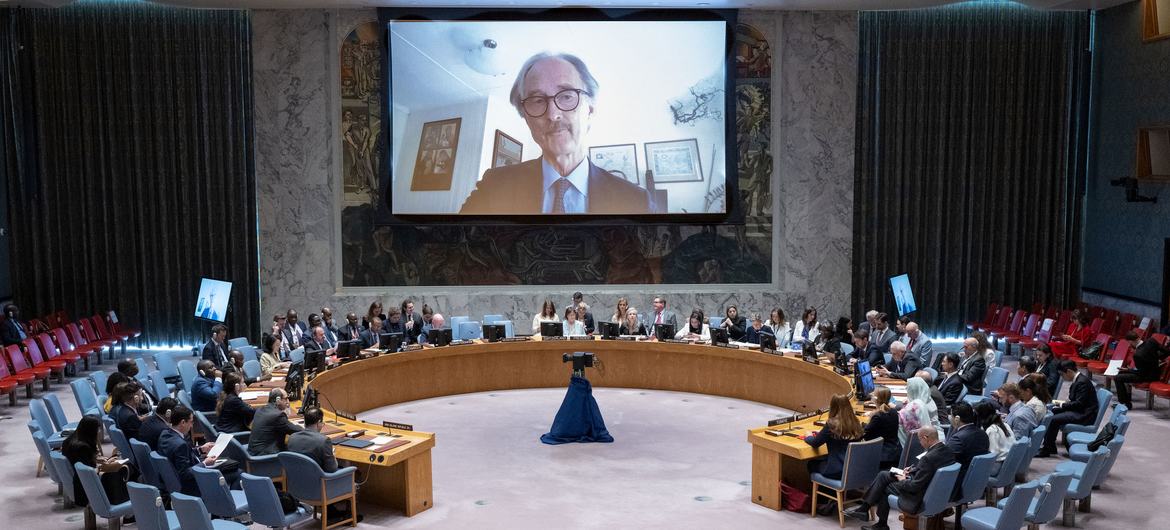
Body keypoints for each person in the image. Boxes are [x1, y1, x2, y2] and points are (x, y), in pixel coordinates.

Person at [459, 52, 657, 214]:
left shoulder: (636, 201)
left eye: (567, 96)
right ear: (526, 118)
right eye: (537, 100)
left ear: (590, 110)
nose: (553, 114)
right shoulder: (493, 187)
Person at [843, 426, 954, 530]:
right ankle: (864, 509)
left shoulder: (928, 458)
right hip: (931, 487)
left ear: (925, 438)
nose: (920, 443)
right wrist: (912, 469)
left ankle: (879, 523)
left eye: (920, 440)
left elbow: (914, 486)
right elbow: (930, 468)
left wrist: (903, 480)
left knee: (885, 487)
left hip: (920, 493)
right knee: (883, 475)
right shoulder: (947, 450)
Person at [287, 408, 363, 525]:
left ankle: (331, 511)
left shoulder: (292, 438)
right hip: (319, 490)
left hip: (296, 489)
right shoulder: (323, 441)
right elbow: (332, 469)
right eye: (322, 423)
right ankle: (348, 515)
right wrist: (332, 455)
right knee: (354, 473)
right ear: (318, 423)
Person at [62, 415, 132, 509]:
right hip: (87, 487)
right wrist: (107, 466)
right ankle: (129, 512)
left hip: (80, 483)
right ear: (90, 431)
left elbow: (78, 461)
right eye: (98, 429)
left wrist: (95, 459)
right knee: (126, 469)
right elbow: (88, 472)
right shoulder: (83, 448)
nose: (99, 432)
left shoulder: (69, 441)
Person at [1039, 360, 1098, 457]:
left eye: (1062, 375)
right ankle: (1050, 446)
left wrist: (1062, 405)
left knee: (1053, 419)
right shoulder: (1079, 380)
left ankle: (1047, 449)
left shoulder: (1082, 382)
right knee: (1052, 411)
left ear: (1069, 371)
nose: (1062, 377)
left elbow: (1079, 404)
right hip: (1081, 410)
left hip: (1084, 415)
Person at [157, 405, 220, 496]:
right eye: (191, 422)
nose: (192, 426)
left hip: (170, 483)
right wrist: (205, 463)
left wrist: (200, 449)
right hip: (190, 486)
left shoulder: (165, 434)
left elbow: (179, 455)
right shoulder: (180, 444)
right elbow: (185, 474)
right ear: (183, 422)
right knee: (236, 473)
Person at [804, 394, 864, 481]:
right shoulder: (856, 422)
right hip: (853, 469)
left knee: (811, 464)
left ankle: (824, 493)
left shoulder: (832, 424)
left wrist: (808, 436)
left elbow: (815, 443)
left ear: (833, 407)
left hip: (837, 471)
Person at [945, 402, 990, 498]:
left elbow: (945, 459)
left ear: (957, 418)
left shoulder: (958, 438)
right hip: (977, 480)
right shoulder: (983, 434)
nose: (950, 418)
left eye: (951, 415)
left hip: (958, 484)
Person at [1115, 333, 1170, 408]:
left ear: (1131, 342)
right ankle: (1125, 401)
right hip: (1156, 372)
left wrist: (1129, 370)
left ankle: (1125, 403)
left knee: (1118, 378)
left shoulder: (1138, 354)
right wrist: (1158, 359)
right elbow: (1167, 352)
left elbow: (1140, 373)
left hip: (1147, 377)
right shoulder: (1151, 341)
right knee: (1122, 372)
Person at [248, 389, 303, 455]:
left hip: (254, 451)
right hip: (265, 456)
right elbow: (296, 430)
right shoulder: (278, 415)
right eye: (286, 399)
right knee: (299, 448)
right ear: (278, 400)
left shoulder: (260, 409)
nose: (288, 402)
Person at [864, 387, 903, 470]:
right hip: (895, 452)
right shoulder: (893, 411)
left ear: (876, 399)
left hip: (883, 456)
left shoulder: (878, 416)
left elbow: (865, 433)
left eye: (873, 395)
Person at [898, 377, 944, 447]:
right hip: (933, 437)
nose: (907, 390)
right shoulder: (925, 400)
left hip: (919, 445)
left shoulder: (912, 409)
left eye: (908, 388)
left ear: (913, 390)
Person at [975, 401, 1012, 476]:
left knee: (968, 469)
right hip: (1008, 463)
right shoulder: (1005, 425)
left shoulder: (991, 430)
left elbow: (992, 455)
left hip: (997, 466)